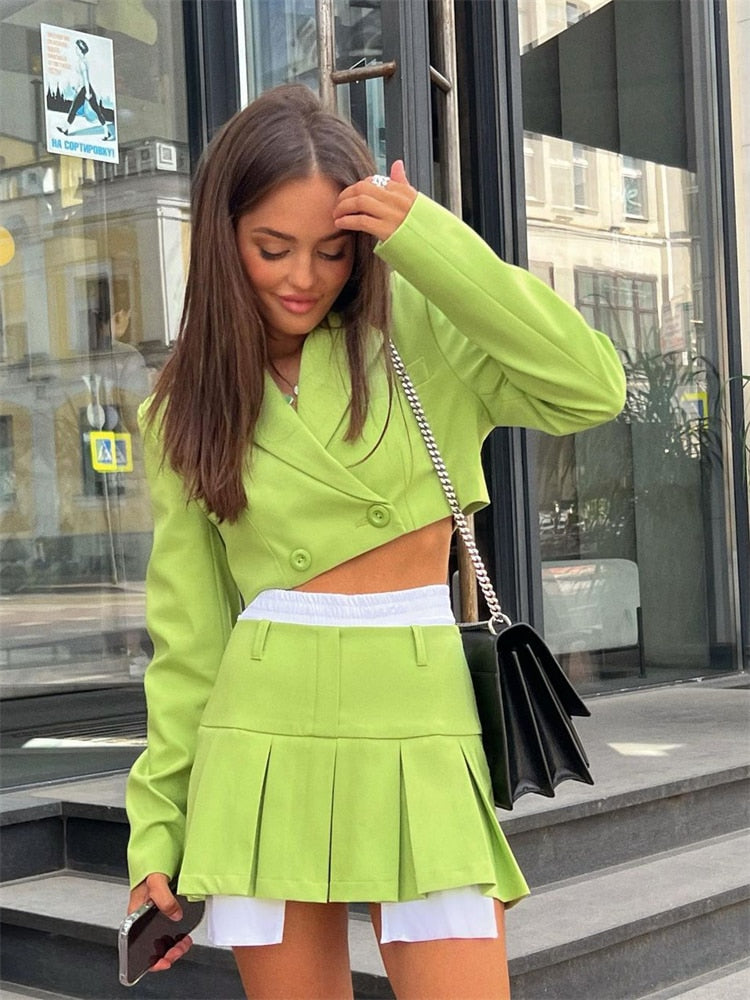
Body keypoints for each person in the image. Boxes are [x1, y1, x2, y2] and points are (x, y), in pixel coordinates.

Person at [125, 83, 625, 1000]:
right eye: (271, 247)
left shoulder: (423, 336)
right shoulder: (184, 407)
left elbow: (591, 387)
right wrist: (157, 832)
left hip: (419, 724)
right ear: (222, 238)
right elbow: (189, 645)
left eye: (334, 251)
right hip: (259, 743)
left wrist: (426, 240)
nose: (302, 277)